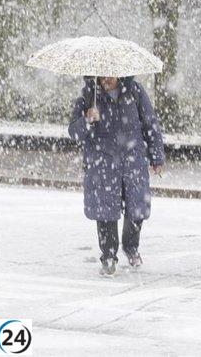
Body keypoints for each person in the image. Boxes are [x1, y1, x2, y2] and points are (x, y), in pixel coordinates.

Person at [68, 76, 165, 277]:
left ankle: (130, 246)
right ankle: (109, 256)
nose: (106, 78)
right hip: (103, 163)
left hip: (133, 161)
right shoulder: (89, 96)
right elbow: (74, 132)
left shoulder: (135, 91)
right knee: (105, 212)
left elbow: (150, 124)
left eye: (111, 74)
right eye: (102, 74)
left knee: (137, 209)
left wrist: (156, 157)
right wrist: (87, 119)